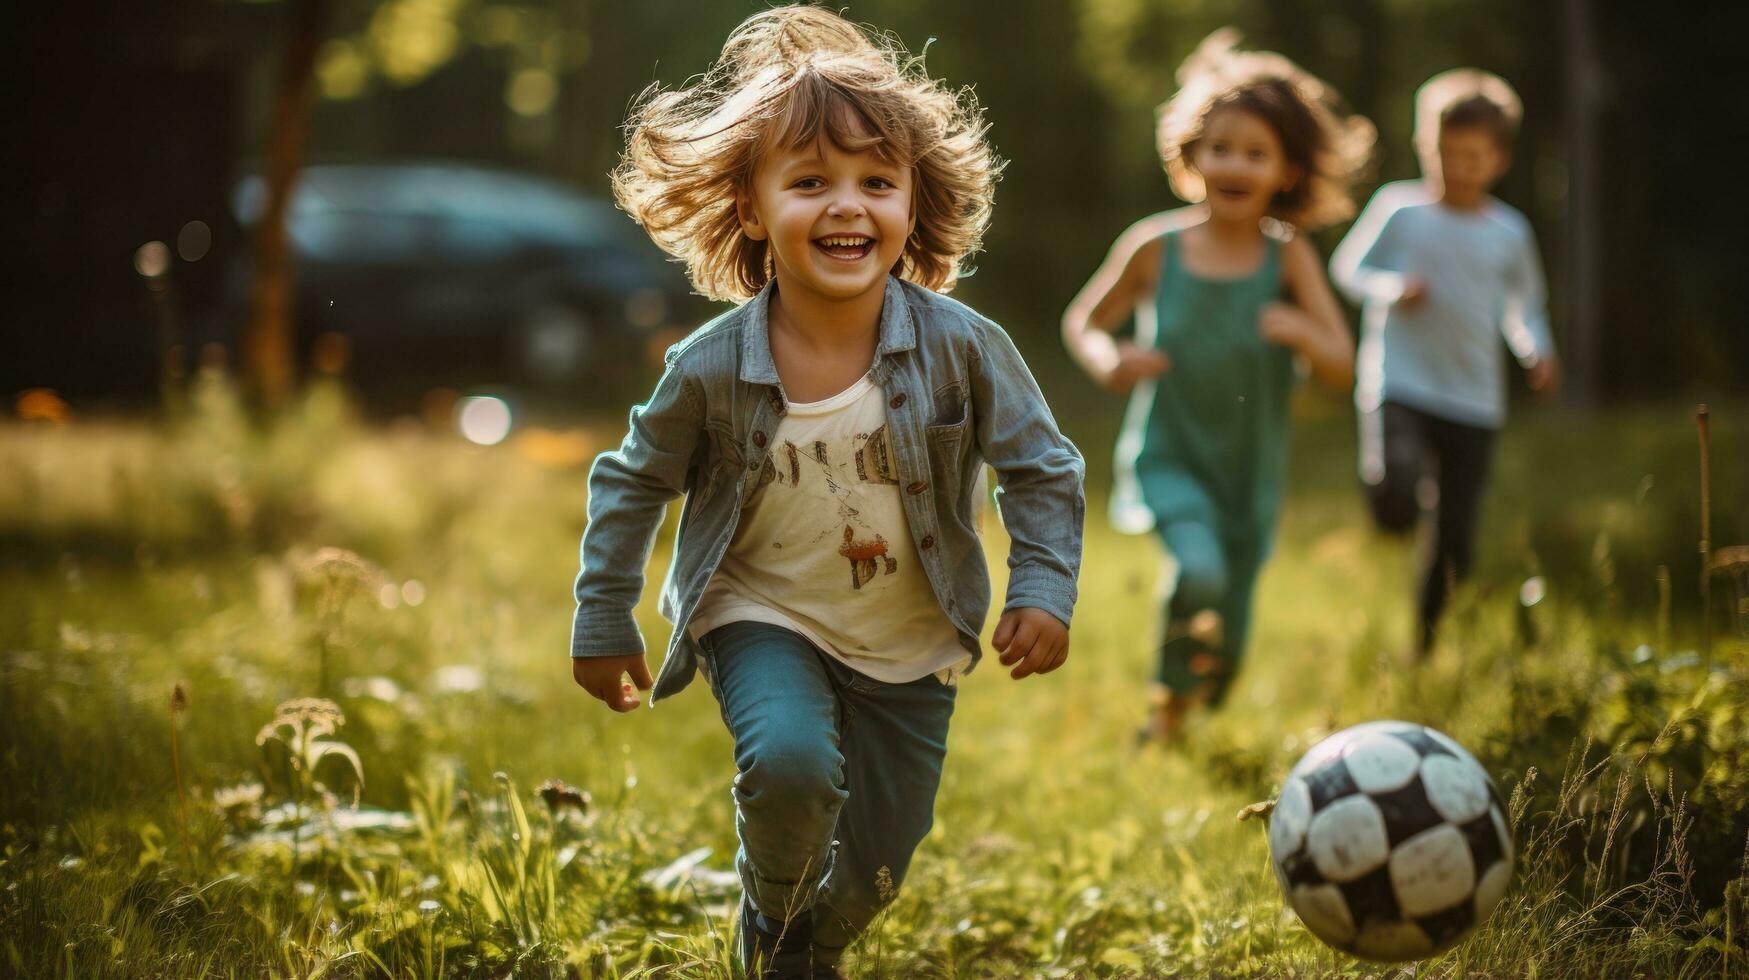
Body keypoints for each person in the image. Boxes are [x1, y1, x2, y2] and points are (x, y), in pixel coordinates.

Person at [570, 7, 1085, 976]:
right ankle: (772, 925)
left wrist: (1042, 587)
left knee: (880, 865)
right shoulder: (712, 363)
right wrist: (604, 613)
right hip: (760, 608)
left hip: (909, 639)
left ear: (911, 203)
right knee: (792, 767)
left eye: (875, 183)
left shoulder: (965, 347)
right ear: (754, 207)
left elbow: (1042, 466)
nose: (847, 205)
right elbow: (632, 478)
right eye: (811, 181)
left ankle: (800, 941)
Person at [1063, 30, 1370, 743]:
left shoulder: (1286, 259)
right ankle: (1164, 714)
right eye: (1220, 147)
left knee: (1227, 627)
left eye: (1255, 153)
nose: (1234, 164)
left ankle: (1200, 692)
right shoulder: (1155, 246)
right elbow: (1085, 319)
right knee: (1195, 572)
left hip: (1249, 469)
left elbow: (1342, 363)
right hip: (1169, 454)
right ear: (1190, 155)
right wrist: (1109, 360)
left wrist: (1299, 331)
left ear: (1286, 171)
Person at [1329, 69, 1560, 656]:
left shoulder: (1508, 232)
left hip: (1474, 398)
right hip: (1400, 382)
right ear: (1424, 145)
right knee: (1398, 488)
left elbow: (1524, 308)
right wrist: (1390, 288)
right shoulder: (1400, 209)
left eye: (1472, 157)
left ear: (1500, 159)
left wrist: (1537, 350)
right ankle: (1390, 499)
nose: (1456, 168)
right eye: (1444, 153)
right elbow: (1347, 270)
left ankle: (1424, 648)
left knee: (1455, 538)